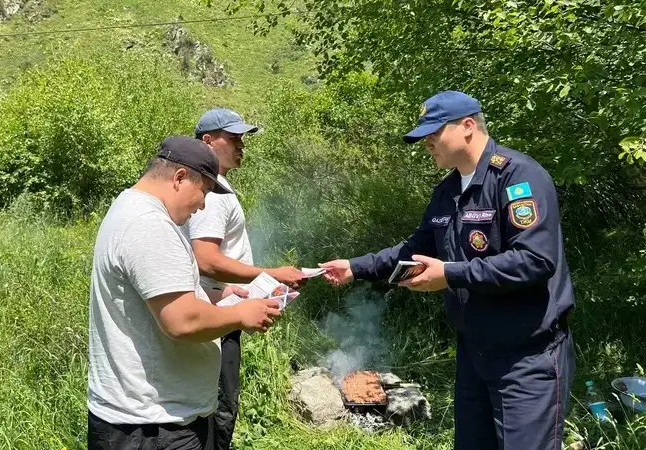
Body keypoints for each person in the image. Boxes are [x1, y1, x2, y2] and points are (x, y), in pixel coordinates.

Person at [320, 91, 576, 450]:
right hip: (474, 353)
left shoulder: (518, 177)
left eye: (434, 132)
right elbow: (412, 251)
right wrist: (354, 267)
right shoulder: (448, 191)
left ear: (468, 126)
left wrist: (451, 273)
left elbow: (535, 260)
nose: (427, 142)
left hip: (527, 356)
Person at [87, 136, 282, 450]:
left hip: (152, 421)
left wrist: (216, 297)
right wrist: (241, 315)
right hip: (153, 427)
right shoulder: (149, 224)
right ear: (179, 178)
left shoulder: (132, 207)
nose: (203, 204)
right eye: (203, 191)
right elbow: (183, 322)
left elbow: (156, 297)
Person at [186, 108, 306, 450]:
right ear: (207, 141)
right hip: (216, 317)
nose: (242, 146)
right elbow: (206, 259)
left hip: (220, 305)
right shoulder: (211, 193)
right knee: (220, 408)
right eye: (234, 138)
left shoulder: (216, 186)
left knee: (218, 406)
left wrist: (237, 285)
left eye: (243, 139)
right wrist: (268, 273)